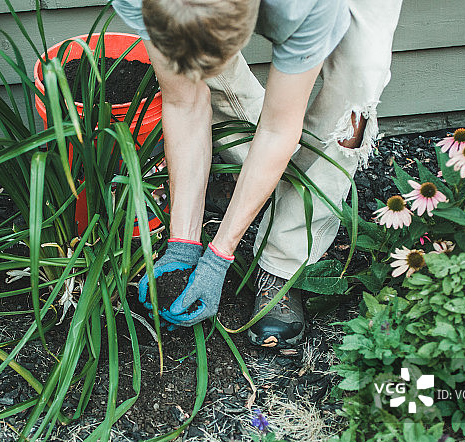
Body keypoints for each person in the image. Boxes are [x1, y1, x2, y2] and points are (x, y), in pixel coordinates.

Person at [115, 0, 403, 348]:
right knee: (206, 65)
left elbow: (278, 130)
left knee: (355, 83)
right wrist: (183, 243)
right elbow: (183, 103)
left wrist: (220, 255)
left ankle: (283, 261)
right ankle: (265, 184)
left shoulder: (304, 9)